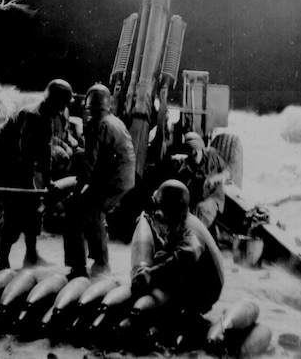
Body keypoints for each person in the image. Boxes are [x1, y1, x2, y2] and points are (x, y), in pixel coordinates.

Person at [0, 78, 73, 272]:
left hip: (19, 161)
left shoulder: (47, 114)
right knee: (15, 208)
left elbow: (44, 151)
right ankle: (2, 260)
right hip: (4, 162)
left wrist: (48, 180)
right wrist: (33, 187)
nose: (63, 108)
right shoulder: (33, 116)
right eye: (62, 103)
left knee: (32, 205)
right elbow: (25, 155)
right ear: (55, 101)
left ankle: (31, 255)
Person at [63, 83, 135, 279]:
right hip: (123, 178)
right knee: (91, 210)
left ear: (89, 107)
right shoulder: (114, 121)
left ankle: (83, 266)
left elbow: (89, 165)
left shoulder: (96, 124)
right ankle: (98, 261)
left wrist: (76, 192)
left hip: (113, 181)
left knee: (77, 212)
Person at [130, 179, 224, 323]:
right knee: (161, 257)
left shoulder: (189, 229)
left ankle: (183, 312)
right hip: (204, 281)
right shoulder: (181, 219)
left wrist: (152, 273)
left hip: (205, 291)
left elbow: (187, 255)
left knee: (162, 270)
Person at [173, 131, 231, 230]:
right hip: (196, 199)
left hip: (213, 197)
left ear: (201, 149)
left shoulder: (212, 155)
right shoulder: (187, 165)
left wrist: (214, 178)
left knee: (202, 212)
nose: (194, 157)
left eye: (195, 153)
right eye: (191, 155)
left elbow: (227, 173)